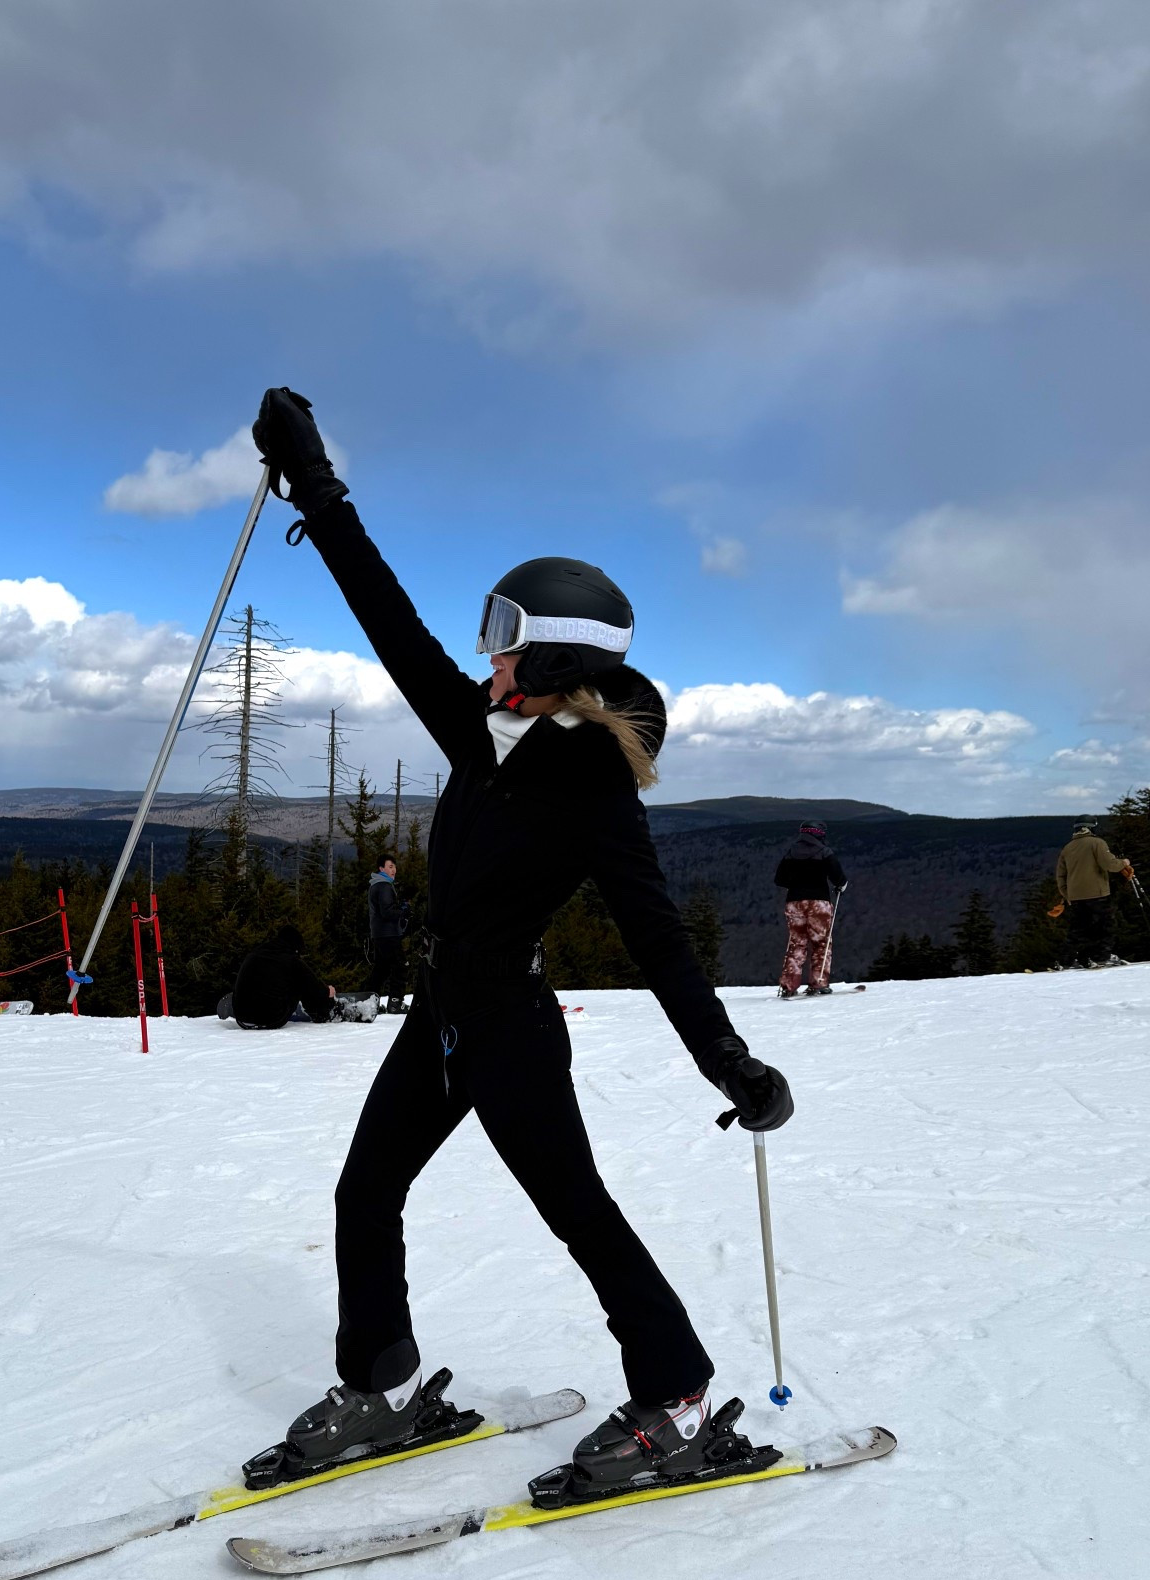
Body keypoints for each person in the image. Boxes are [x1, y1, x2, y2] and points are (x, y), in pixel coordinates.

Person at [245, 386, 793, 1504]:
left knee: (576, 1210)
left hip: (509, 1028)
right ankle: (383, 1383)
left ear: (550, 662)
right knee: (365, 1192)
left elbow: (659, 937)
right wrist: (318, 486)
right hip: (442, 1012)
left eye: (502, 637)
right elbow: (385, 614)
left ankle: (678, 1395)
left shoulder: (592, 786)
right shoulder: (480, 728)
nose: (479, 651)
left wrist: (729, 1059)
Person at [217, 926, 377, 1029]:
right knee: (300, 984)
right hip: (271, 1018)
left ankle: (252, 1001)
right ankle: (331, 1012)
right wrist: (328, 992)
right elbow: (314, 988)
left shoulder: (254, 955)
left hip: (242, 1016)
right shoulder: (291, 960)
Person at [773, 823, 847, 996]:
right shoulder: (824, 851)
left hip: (794, 901)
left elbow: (779, 879)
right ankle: (818, 983)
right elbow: (839, 878)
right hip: (819, 902)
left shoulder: (791, 853)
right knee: (821, 943)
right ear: (819, 834)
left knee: (796, 942)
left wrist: (796, 883)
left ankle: (788, 985)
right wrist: (840, 886)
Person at [1055, 820, 1131, 968]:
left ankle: (1066, 961)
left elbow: (1060, 876)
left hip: (1075, 896)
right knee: (1105, 926)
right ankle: (1102, 957)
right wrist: (1124, 863)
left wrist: (1068, 895)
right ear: (1090, 828)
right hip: (1097, 893)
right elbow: (1109, 864)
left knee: (1078, 930)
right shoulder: (1097, 843)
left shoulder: (1067, 848)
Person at [368, 855, 409, 1014]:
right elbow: (387, 912)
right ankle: (395, 1002)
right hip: (388, 934)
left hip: (379, 934)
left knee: (381, 968)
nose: (394, 870)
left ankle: (369, 1001)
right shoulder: (384, 885)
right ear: (381, 868)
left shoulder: (376, 885)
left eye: (394, 866)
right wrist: (402, 911)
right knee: (400, 965)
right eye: (390, 866)